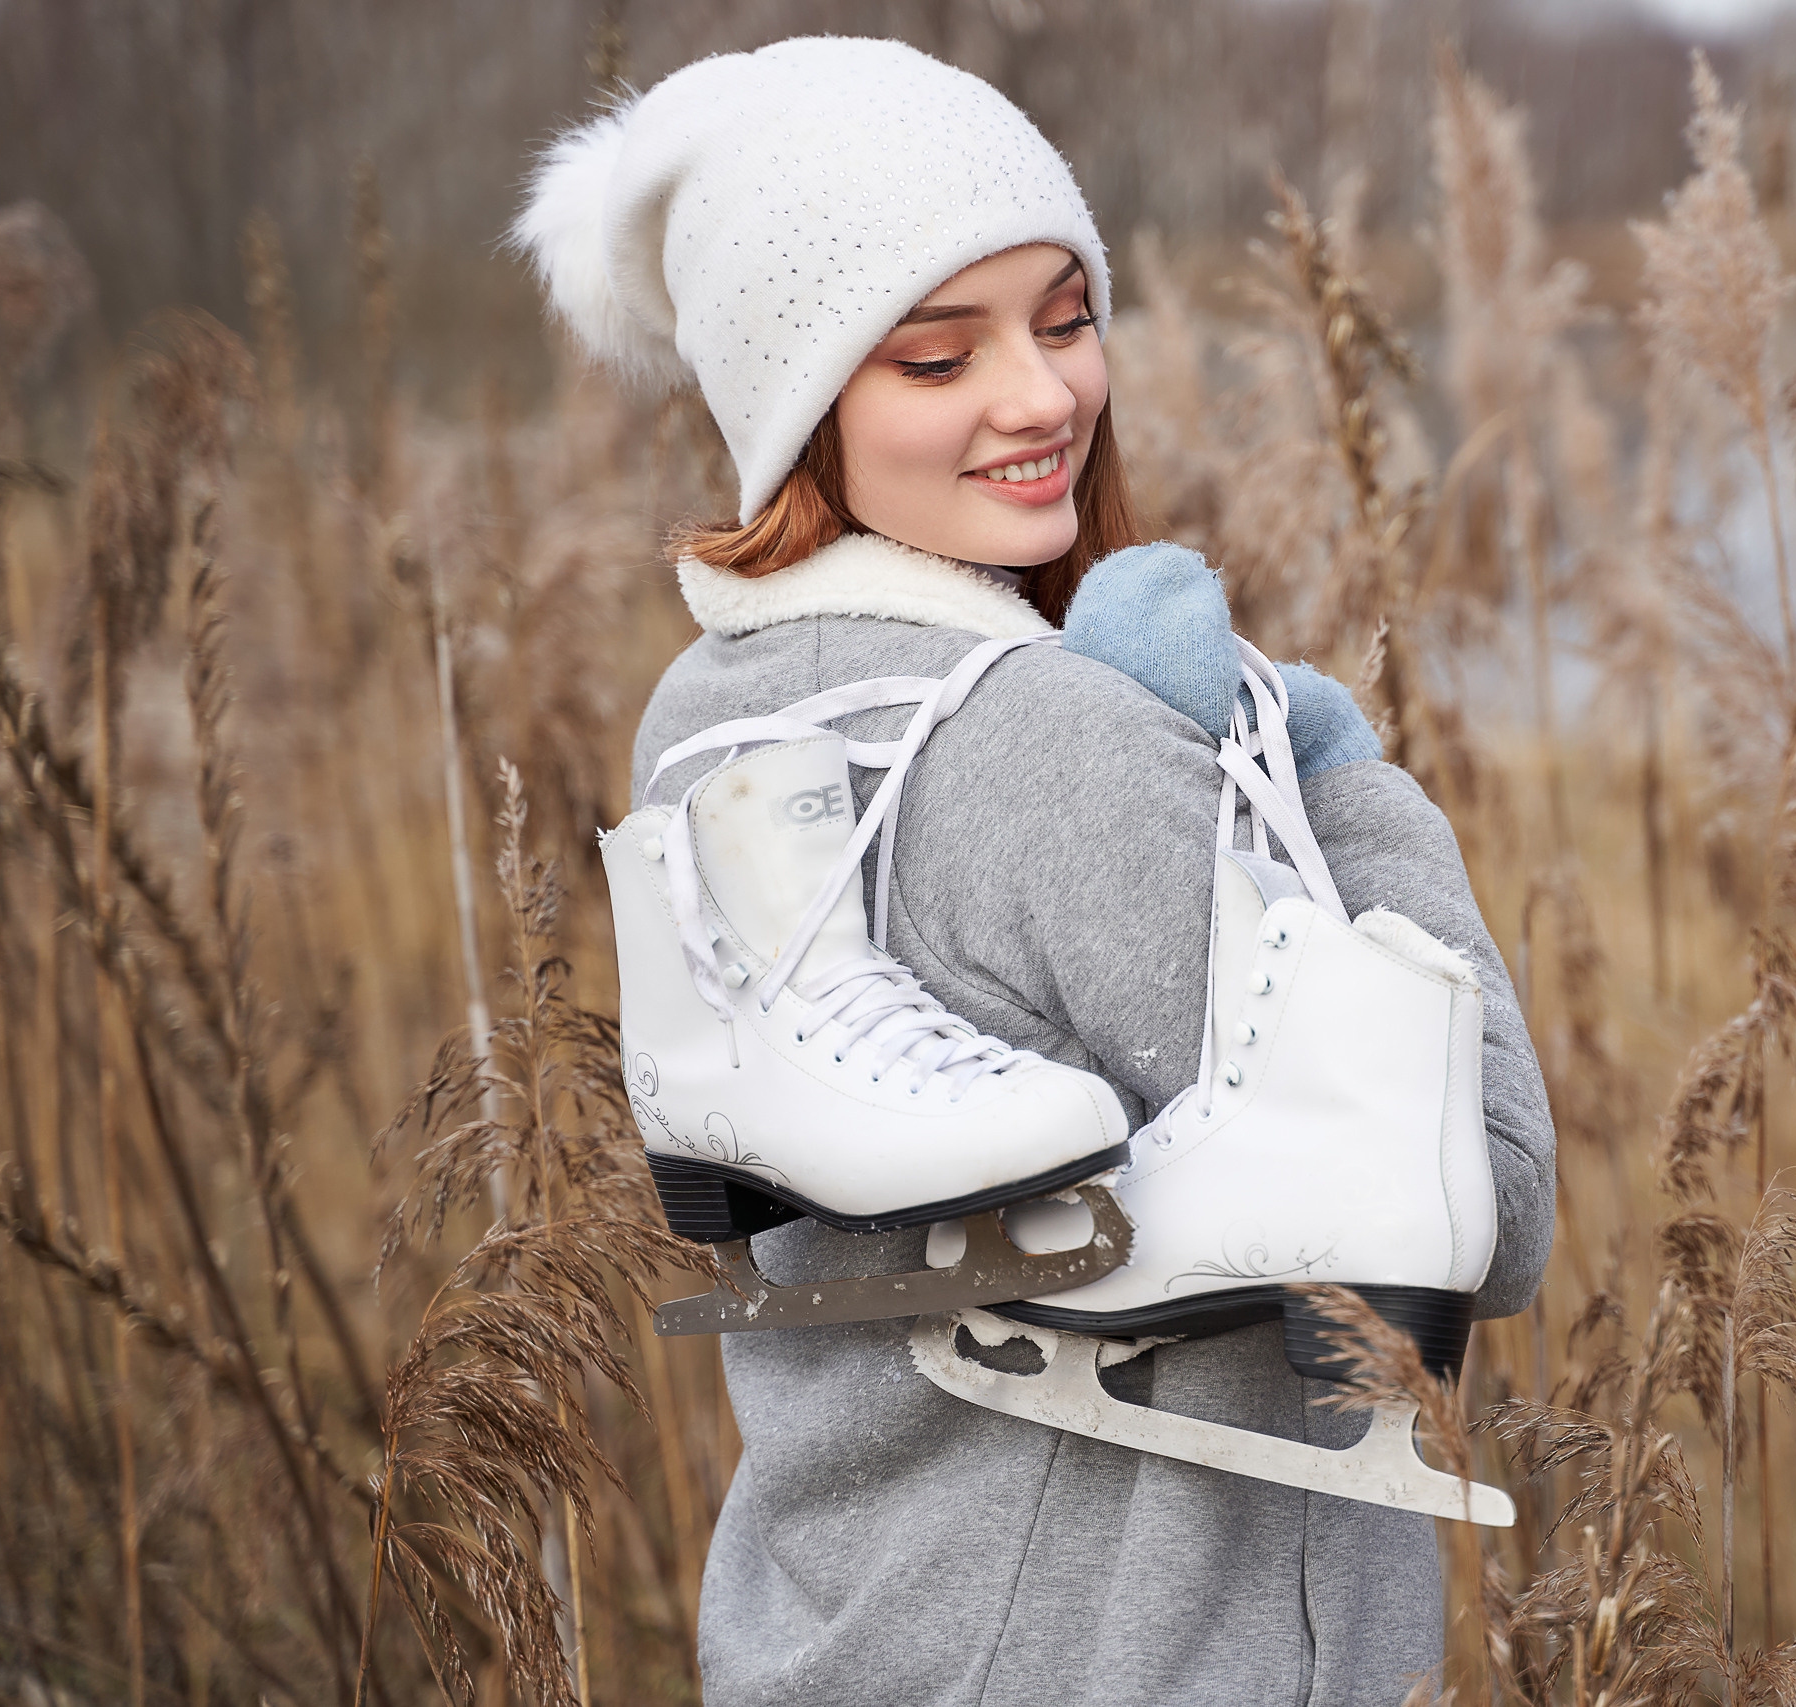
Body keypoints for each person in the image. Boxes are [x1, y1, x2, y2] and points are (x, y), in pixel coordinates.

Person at [517, 36, 1554, 1705]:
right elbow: (1480, 1211)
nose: (1043, 397)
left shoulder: (712, 719)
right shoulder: (1041, 745)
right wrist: (1342, 778)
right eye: (938, 355)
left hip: (845, 1636)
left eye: (1065, 321)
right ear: (799, 410)